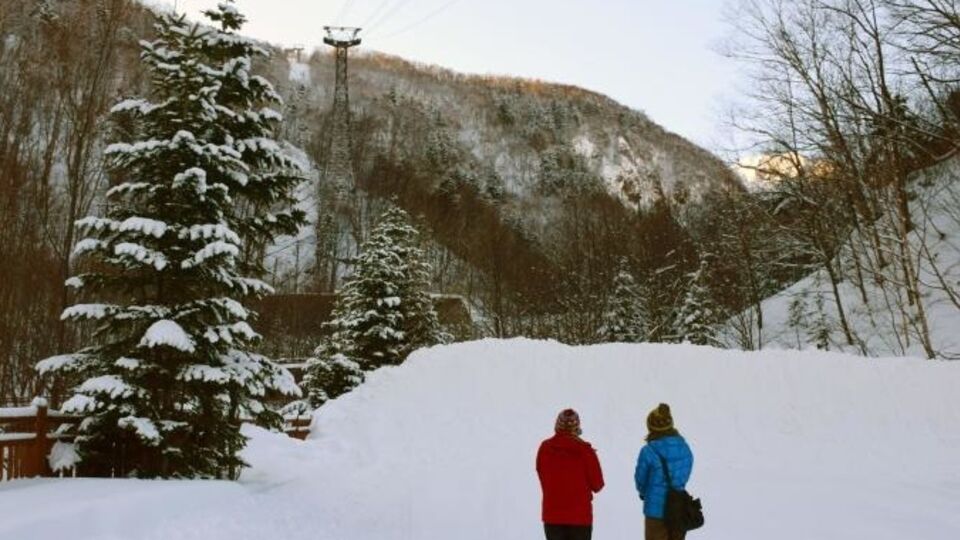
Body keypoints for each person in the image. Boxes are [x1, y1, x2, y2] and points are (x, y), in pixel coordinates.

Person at [536, 408, 605, 540]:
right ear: (577, 427)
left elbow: (541, 473)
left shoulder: (545, 448)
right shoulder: (585, 451)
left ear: (557, 425)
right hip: (580, 519)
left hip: (552, 516)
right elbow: (598, 485)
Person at [634, 403, 694, 540]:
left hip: (655, 511)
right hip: (678, 508)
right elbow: (686, 473)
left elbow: (640, 480)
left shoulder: (648, 451)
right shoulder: (684, 447)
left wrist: (644, 494)